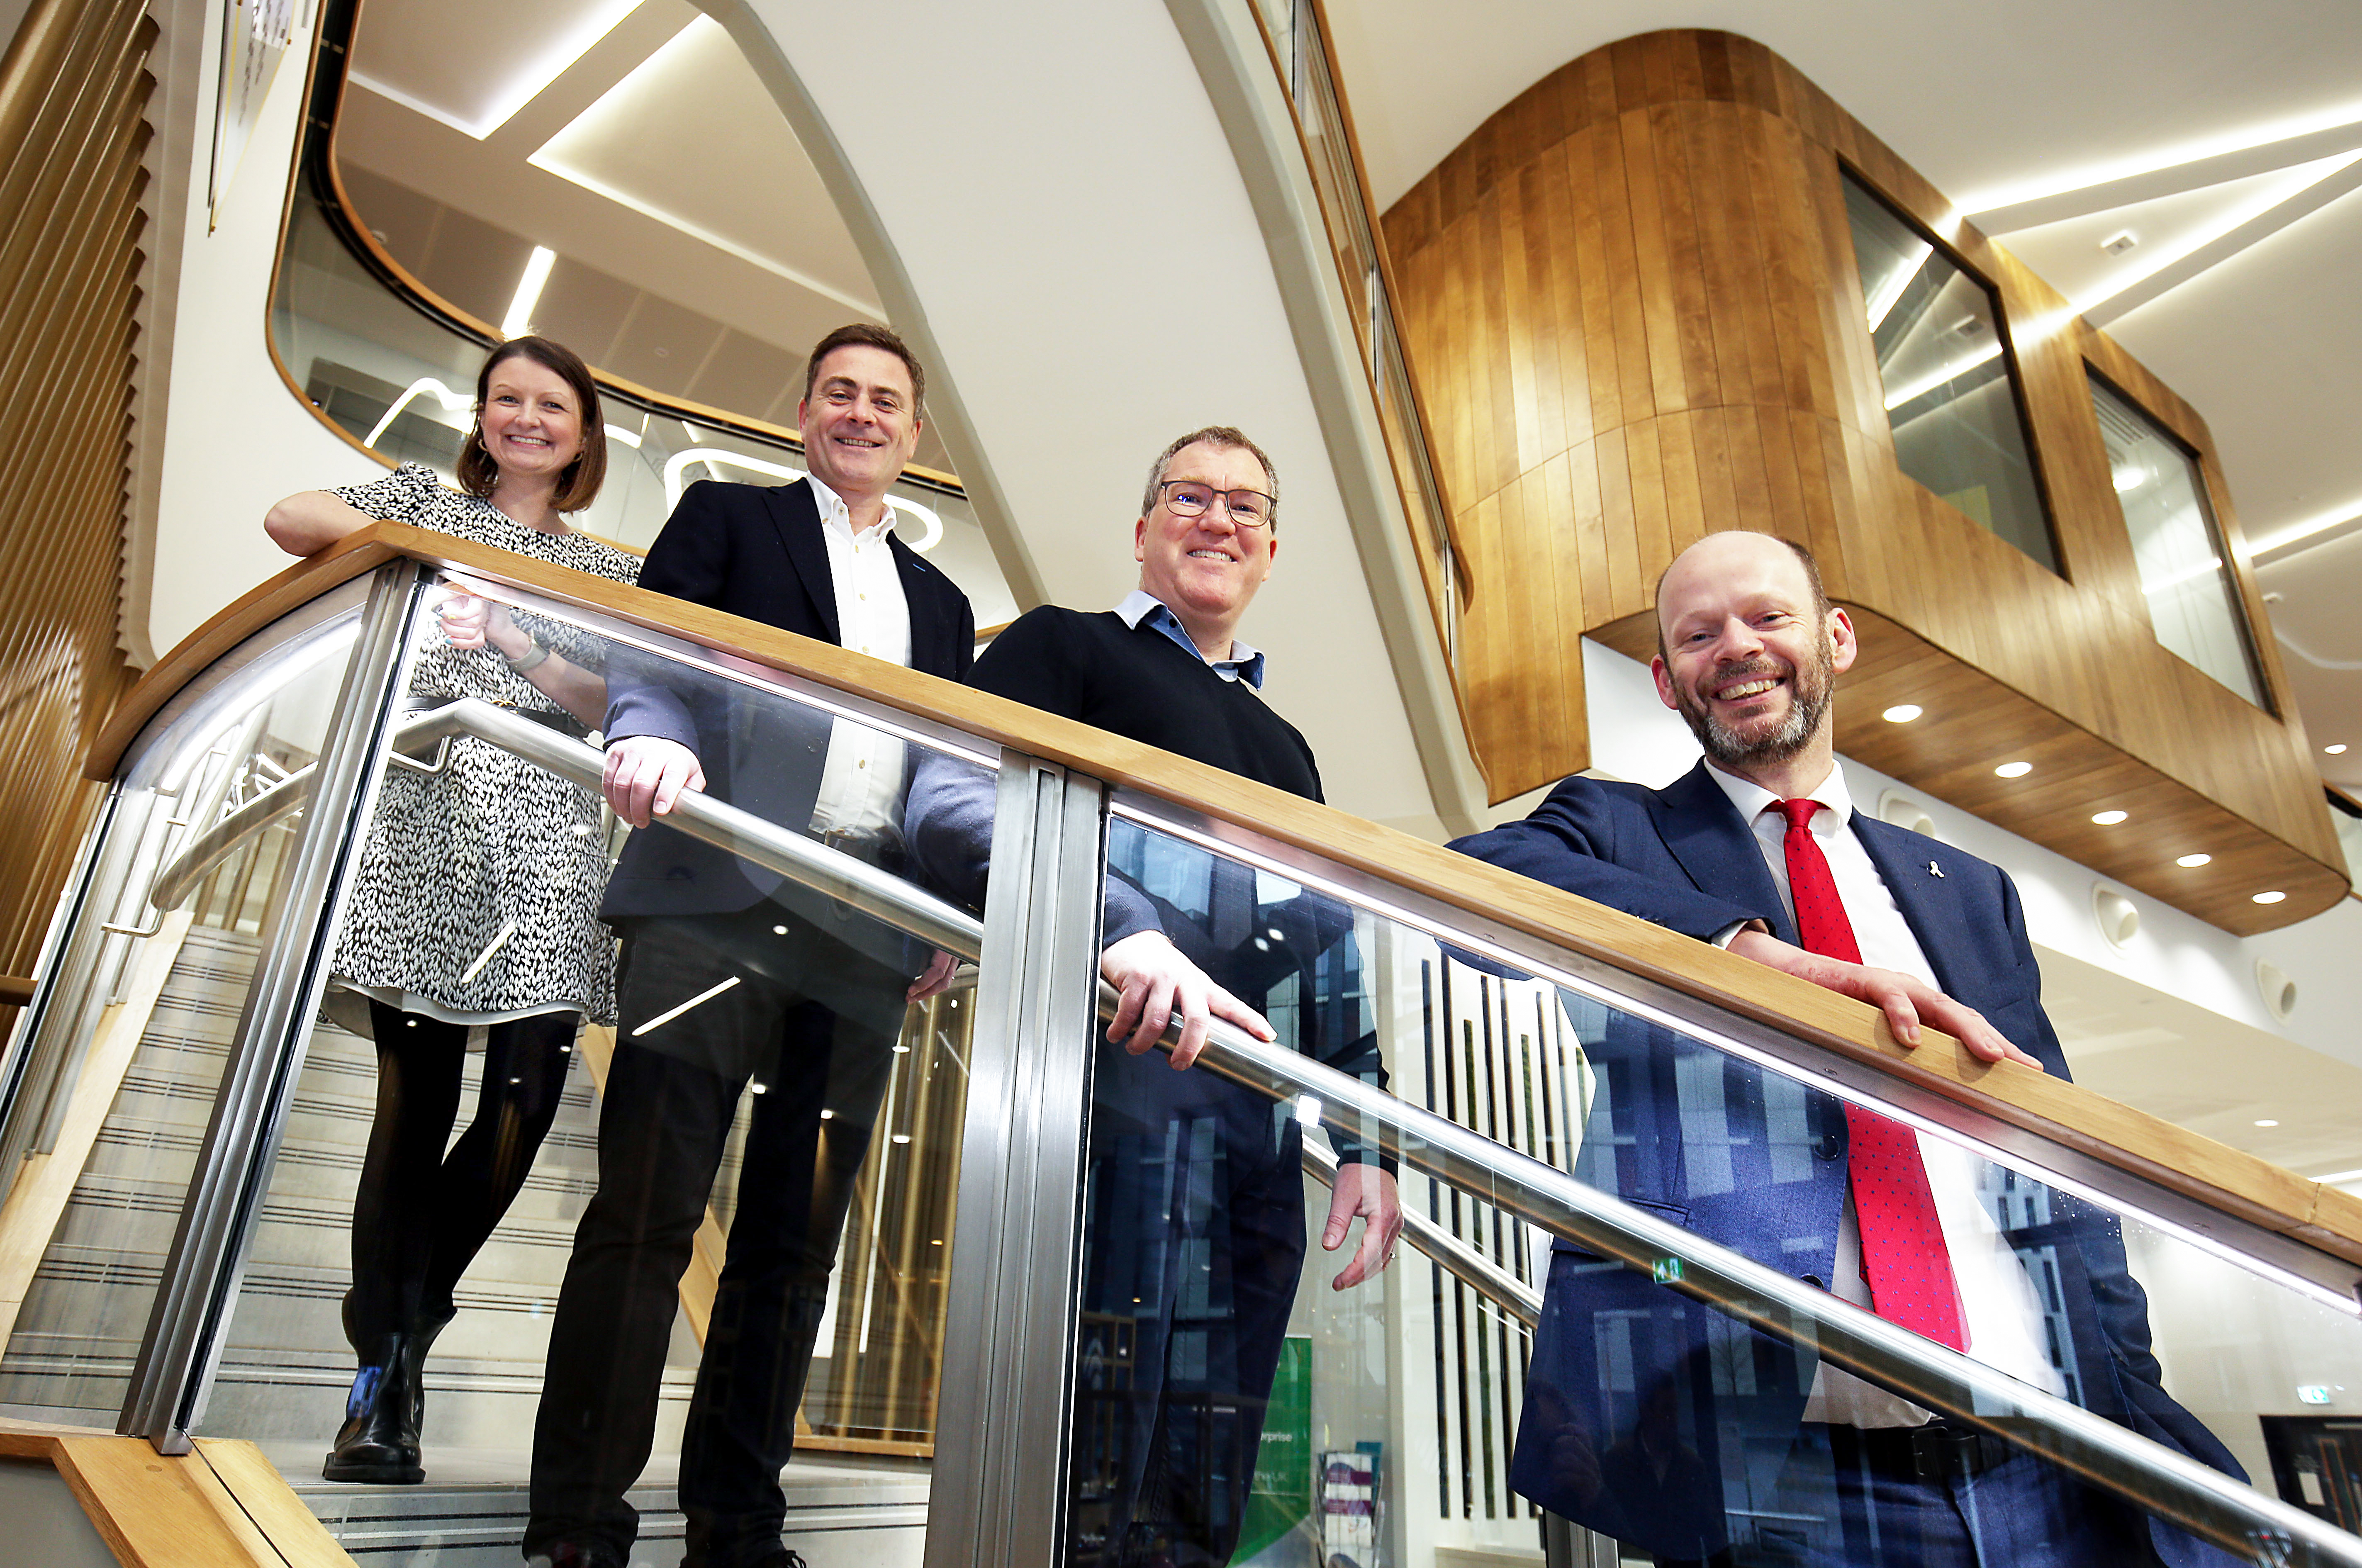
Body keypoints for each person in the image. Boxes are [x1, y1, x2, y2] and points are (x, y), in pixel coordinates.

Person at [1450, 529, 2245, 1566]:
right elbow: (1476, 885)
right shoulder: (1614, 828)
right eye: (1698, 634)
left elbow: (2056, 1163)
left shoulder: (1970, 889)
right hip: (1789, 1479)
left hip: (2047, 1459)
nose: (1737, 647)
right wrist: (1754, 959)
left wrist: (2136, 1403)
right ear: (1664, 681)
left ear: (1837, 638)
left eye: (1768, 617)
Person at [906, 426, 1403, 1567]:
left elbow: (1320, 944)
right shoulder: (1063, 647)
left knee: (1210, 1455)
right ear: (1141, 529)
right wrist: (1122, 930)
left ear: (1269, 549)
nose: (1216, 518)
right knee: (1089, 1442)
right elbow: (950, 801)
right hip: (1103, 1094)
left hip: (1255, 1134)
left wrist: (1372, 1135)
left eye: (1243, 504)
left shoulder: (1288, 747)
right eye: (1189, 495)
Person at [523, 324, 974, 1568]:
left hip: (863, 930)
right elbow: (651, 652)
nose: (862, 413)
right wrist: (647, 733)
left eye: (887, 400)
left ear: (914, 432)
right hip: (713, 893)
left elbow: (947, 767)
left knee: (793, 1240)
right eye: (841, 392)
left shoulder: (942, 603)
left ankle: (734, 1517)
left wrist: (940, 902)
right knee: (646, 1211)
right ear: (804, 410)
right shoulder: (727, 519)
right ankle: (577, 1519)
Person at [263, 336, 638, 1485]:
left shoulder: (613, 572)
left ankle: (402, 1314)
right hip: (430, 820)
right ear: (480, 418)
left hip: (554, 840)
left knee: (524, 1101)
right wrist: (424, 541)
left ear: (583, 433)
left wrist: (511, 630)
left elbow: (602, 700)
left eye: (552, 406)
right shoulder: (423, 499)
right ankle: (385, 1379)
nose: (528, 419)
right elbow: (291, 516)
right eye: (507, 401)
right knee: (411, 1108)